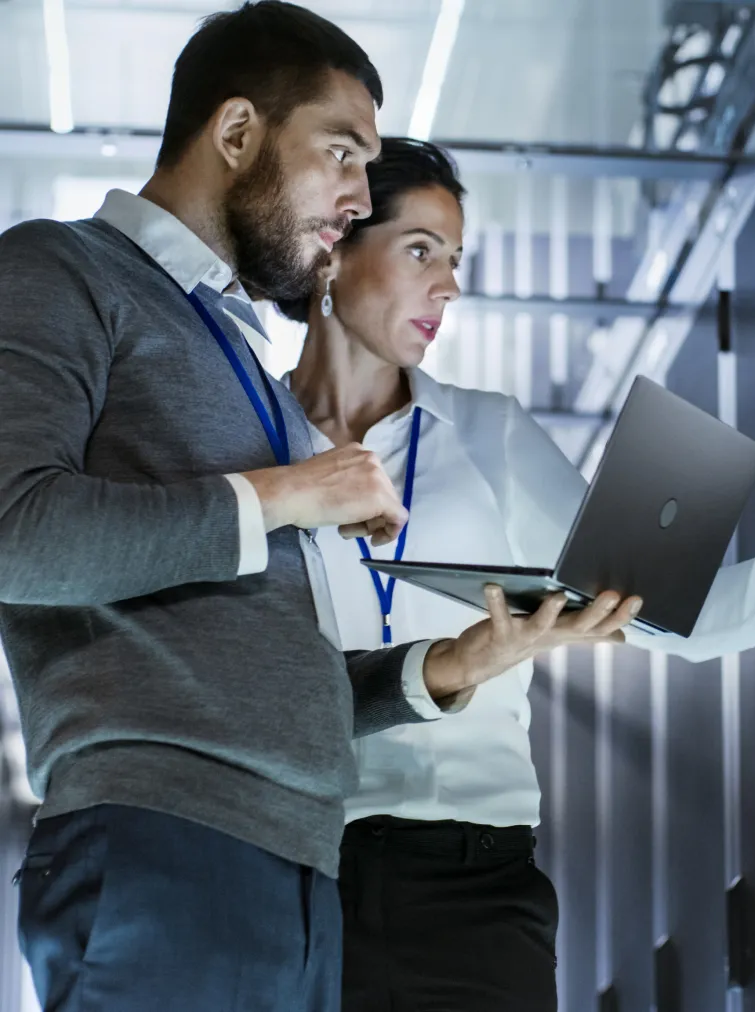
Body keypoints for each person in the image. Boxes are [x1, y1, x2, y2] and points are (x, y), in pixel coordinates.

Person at [0, 9, 642, 1012]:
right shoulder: (59, 269)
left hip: (297, 876)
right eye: (341, 153)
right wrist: (297, 488)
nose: (355, 198)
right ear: (239, 132)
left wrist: (450, 667)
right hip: (163, 849)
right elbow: (14, 532)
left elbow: (271, 674)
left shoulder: (239, 361)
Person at [277, 136, 755, 1012]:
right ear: (333, 248)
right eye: (420, 249)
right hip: (294, 875)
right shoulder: (251, 450)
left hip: (480, 889)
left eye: (456, 260)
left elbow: (694, 620)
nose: (449, 286)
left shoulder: (488, 433)